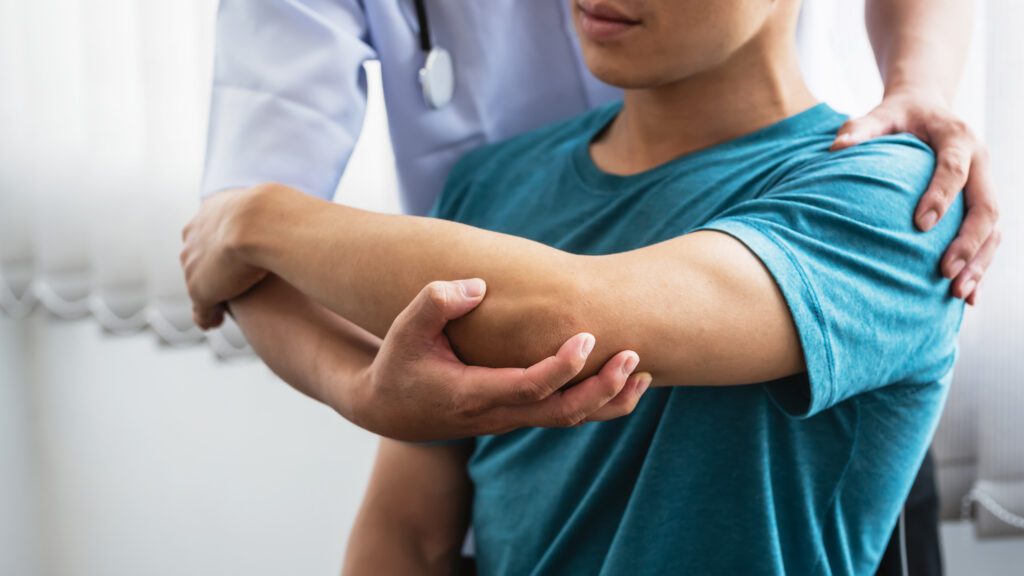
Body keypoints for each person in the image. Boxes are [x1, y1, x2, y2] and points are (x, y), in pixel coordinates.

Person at [183, 0, 982, 572]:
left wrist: (256, 217)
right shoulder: (489, 186)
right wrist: (354, 382)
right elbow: (408, 535)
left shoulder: (895, 198)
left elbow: (565, 317)